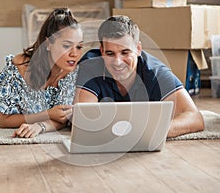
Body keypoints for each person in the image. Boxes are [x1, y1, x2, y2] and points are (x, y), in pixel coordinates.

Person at [0, 8, 84, 138]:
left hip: (11, 96)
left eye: (79, 46)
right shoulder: (21, 66)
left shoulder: (73, 72)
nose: (74, 54)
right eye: (67, 46)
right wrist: (47, 114)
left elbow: (62, 118)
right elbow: (3, 120)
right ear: (48, 44)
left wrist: (41, 126)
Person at [74, 15, 204, 138]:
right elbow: (83, 119)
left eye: (125, 52)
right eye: (110, 53)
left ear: (138, 49)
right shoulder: (90, 67)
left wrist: (153, 131)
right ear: (101, 51)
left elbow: (194, 118)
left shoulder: (156, 72)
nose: (118, 62)